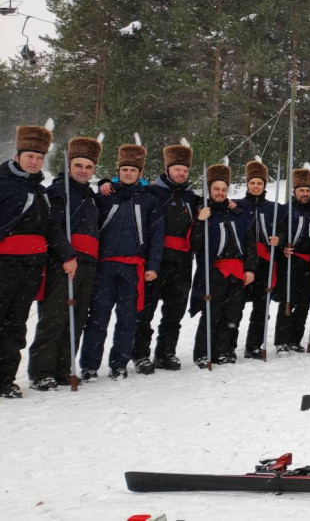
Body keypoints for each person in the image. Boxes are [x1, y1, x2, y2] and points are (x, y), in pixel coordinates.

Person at [80, 145, 164, 380]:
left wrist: (153, 266)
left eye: (133, 170)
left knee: (128, 319)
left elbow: (157, 235)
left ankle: (119, 363)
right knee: (98, 318)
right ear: (119, 171)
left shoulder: (149, 200)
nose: (128, 173)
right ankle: (89, 365)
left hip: (133, 268)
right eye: (124, 169)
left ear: (140, 173)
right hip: (105, 267)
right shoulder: (104, 196)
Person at [28, 137, 102, 391]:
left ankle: (62, 368)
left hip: (89, 263)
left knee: (77, 318)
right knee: (55, 316)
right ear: (69, 166)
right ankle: (41, 371)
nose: (83, 170)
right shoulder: (59, 191)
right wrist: (67, 256)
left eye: (88, 167)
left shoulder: (90, 196)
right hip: (65, 261)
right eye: (79, 165)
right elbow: (53, 227)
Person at [0, 126, 67, 398]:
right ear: (17, 156)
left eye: (39, 158)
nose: (34, 162)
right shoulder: (2, 183)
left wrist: (67, 254)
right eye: (29, 156)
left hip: (30, 266)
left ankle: (5, 379)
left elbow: (51, 228)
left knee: (16, 325)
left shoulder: (41, 191)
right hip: (4, 264)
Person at [131, 144, 200, 373]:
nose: (181, 174)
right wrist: (104, 185)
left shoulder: (192, 198)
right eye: (177, 169)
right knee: (145, 312)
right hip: (155, 261)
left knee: (174, 312)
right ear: (167, 169)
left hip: (182, 263)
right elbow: (127, 188)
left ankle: (165, 352)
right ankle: (140, 354)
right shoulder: (151, 192)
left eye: (185, 171)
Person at [189, 164, 256, 368]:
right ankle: (203, 352)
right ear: (209, 190)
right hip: (215, 271)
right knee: (212, 312)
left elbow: (250, 243)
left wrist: (250, 268)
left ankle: (225, 350)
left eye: (223, 189)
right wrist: (200, 222)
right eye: (216, 189)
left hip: (237, 271)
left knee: (233, 314)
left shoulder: (238, 213)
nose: (220, 193)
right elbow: (196, 245)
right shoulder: (204, 214)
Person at [234, 160, 280, 359]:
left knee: (262, 307)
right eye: (252, 183)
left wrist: (280, 239)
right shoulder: (237, 206)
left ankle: (253, 345)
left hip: (265, 263)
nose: (256, 186)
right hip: (242, 262)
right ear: (247, 184)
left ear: (264, 185)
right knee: (235, 306)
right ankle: (226, 345)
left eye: (259, 183)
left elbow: (284, 229)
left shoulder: (274, 208)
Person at [274, 168, 310, 355]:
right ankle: (282, 341)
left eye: (307, 191)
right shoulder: (285, 210)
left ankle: (295, 339)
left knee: (304, 303)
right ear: (294, 191)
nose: (304, 194)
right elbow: (278, 233)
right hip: (291, 262)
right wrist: (282, 246)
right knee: (287, 301)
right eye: (301, 190)